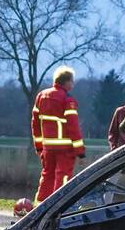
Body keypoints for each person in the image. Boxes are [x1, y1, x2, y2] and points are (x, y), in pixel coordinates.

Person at [30, 65, 85, 203]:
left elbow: (35, 124)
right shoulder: (68, 100)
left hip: (47, 147)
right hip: (65, 148)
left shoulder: (41, 96)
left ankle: (39, 206)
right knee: (63, 177)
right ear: (66, 82)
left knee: (47, 176)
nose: (73, 84)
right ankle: (59, 206)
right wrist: (80, 151)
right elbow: (73, 127)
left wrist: (39, 147)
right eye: (72, 81)